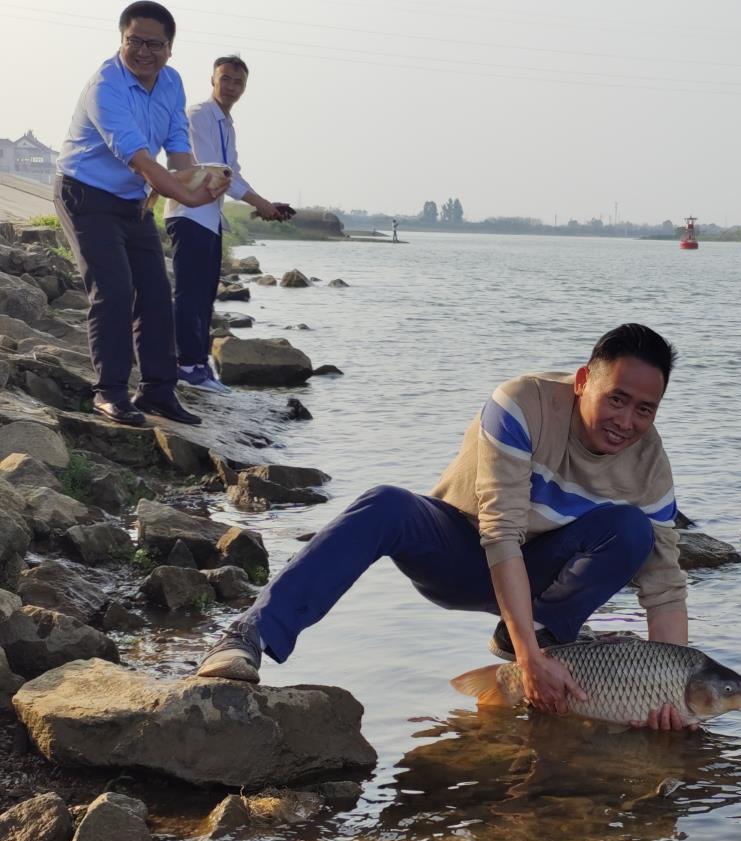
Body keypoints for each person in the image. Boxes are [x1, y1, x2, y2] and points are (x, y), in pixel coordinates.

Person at [198, 323, 695, 729]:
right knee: (384, 504)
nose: (626, 421)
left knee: (633, 530)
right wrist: (527, 662)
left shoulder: (649, 467)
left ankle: (538, 633)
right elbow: (500, 532)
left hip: (541, 572)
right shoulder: (522, 404)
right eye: (617, 399)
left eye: (644, 409)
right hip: (460, 549)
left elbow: (665, 587)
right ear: (584, 379)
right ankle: (248, 637)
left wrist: (676, 695)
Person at [54, 2, 230, 427]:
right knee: (113, 290)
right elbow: (141, 161)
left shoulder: (171, 82)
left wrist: (197, 180)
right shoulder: (106, 87)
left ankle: (157, 392)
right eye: (135, 41)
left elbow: (175, 145)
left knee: (154, 293)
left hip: (132, 200)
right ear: (122, 40)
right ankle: (109, 393)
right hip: (85, 195)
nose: (144, 51)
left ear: (170, 48)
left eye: (155, 44)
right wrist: (186, 199)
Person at [165, 54, 293, 395]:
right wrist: (261, 204)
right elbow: (216, 170)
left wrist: (266, 204)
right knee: (190, 293)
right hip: (188, 213)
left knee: (204, 294)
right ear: (212, 80)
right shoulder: (199, 116)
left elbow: (231, 173)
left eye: (238, 82)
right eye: (226, 79)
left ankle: (198, 364)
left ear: (244, 87)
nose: (231, 87)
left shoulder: (227, 124)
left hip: (209, 218)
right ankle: (184, 365)